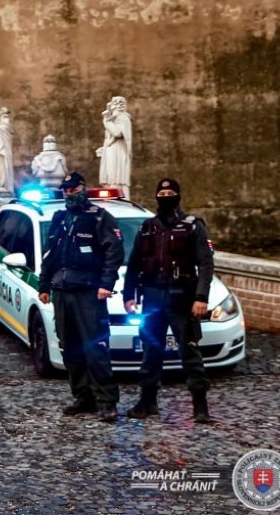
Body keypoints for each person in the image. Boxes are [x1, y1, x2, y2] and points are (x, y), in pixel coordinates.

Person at [122, 178, 214, 423]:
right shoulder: (147, 227)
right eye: (162, 192)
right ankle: (147, 402)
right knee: (151, 351)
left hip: (182, 299)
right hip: (152, 298)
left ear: (178, 195)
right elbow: (133, 264)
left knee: (190, 352)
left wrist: (201, 297)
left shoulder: (193, 226)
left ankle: (200, 406)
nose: (165, 195)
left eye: (170, 192)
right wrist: (127, 296)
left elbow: (205, 263)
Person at [38, 171, 124, 422]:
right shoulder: (60, 218)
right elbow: (49, 255)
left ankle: (106, 401)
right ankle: (82, 396)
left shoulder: (99, 217)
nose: (69, 194)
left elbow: (113, 253)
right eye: (66, 190)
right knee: (70, 348)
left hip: (89, 292)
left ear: (83, 189)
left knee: (96, 347)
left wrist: (107, 283)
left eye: (74, 190)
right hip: (62, 292)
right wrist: (44, 286)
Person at [97, 96, 132, 198]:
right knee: (109, 179)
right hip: (112, 150)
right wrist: (105, 148)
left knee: (116, 178)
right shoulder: (115, 118)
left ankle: (120, 199)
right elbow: (111, 137)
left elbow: (117, 132)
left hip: (118, 152)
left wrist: (106, 122)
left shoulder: (122, 117)